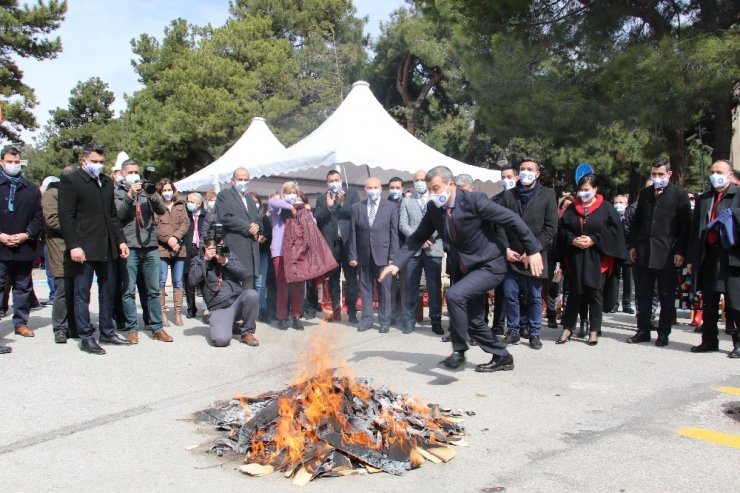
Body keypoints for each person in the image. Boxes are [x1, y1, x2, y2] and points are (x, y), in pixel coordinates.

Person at [380, 166, 543, 373]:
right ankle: (503, 357)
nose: (433, 194)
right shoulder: (434, 210)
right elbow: (418, 237)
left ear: (451, 185)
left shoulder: (474, 201)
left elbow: (511, 219)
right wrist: (396, 263)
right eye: (430, 189)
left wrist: (533, 249)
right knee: (474, 321)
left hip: (490, 265)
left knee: (455, 295)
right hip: (468, 268)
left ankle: (459, 352)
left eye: (436, 188)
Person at [58, 144, 131, 354]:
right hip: (83, 247)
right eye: (94, 161)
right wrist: (74, 245)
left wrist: (121, 240)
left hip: (107, 246)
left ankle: (107, 331)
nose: (98, 165)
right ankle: (86, 336)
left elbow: (113, 215)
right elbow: (66, 217)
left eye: (101, 162)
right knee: (82, 293)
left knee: (108, 290)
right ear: (83, 161)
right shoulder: (71, 181)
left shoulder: (107, 182)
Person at [555, 174, 627, 346]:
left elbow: (614, 231)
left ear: (595, 190)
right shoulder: (572, 208)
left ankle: (594, 330)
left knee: (595, 293)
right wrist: (572, 239)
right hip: (576, 257)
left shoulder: (606, 208)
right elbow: (561, 229)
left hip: (598, 258)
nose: (583, 193)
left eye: (587, 190)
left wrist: (593, 239)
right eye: (580, 190)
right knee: (574, 293)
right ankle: (568, 328)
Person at [627, 157, 691, 347]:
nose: (657, 177)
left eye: (660, 174)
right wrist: (633, 245)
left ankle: (663, 332)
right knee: (643, 294)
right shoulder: (646, 193)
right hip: (644, 252)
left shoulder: (679, 195)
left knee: (666, 295)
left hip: (667, 255)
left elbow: (685, 227)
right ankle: (643, 330)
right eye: (654, 174)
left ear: (669, 174)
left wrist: (680, 251)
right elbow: (637, 222)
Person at [498, 157, 557, 350]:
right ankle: (513, 330)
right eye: (522, 169)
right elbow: (501, 225)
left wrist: (533, 250)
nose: (525, 172)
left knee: (533, 296)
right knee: (511, 295)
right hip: (511, 255)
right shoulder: (509, 195)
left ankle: (534, 333)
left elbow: (550, 228)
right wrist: (506, 248)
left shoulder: (548, 195)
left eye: (529, 169)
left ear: (537, 174)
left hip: (535, 257)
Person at [115, 160, 172, 344]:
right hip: (130, 245)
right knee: (128, 290)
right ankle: (132, 328)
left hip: (149, 246)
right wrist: (130, 195)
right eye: (130, 172)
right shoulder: (118, 192)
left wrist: (152, 194)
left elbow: (162, 210)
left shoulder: (146, 191)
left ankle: (157, 327)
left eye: (136, 172)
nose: (134, 175)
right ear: (123, 174)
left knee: (154, 290)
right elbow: (119, 215)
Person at [687, 159, 740, 357]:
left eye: (719, 171)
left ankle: (738, 342)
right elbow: (695, 231)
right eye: (713, 171)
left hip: (731, 255)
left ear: (730, 175)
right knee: (709, 300)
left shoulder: (737, 194)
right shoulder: (704, 199)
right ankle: (709, 340)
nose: (715, 175)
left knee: (735, 302)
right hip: (708, 255)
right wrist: (692, 259)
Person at [0, 145, 44, 354]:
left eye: (17, 162)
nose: (14, 165)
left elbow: (38, 217)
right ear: (2, 162)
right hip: (1, 243)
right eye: (10, 161)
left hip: (23, 245)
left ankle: (20, 322)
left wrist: (27, 234)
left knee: (23, 286)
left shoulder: (31, 188)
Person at [188, 232, 259, 347]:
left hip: (236, 301)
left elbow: (244, 274)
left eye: (220, 246)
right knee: (221, 340)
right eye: (214, 248)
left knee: (252, 295)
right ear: (205, 248)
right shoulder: (198, 260)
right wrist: (206, 260)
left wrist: (225, 262)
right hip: (218, 307)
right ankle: (228, 325)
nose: (218, 250)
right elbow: (192, 281)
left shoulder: (228, 255)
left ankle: (247, 333)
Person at [349, 177, 399, 333]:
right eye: (369, 187)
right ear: (365, 189)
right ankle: (367, 319)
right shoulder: (357, 207)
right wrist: (353, 255)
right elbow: (353, 233)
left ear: (380, 189)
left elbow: (394, 233)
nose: (372, 190)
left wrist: (393, 256)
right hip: (364, 255)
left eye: (375, 187)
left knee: (384, 289)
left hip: (384, 256)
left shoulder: (390, 207)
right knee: (365, 288)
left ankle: (384, 320)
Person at [399, 170, 444, 335]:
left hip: (434, 248)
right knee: (411, 286)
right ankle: (409, 320)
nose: (419, 182)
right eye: (416, 179)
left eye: (422, 179)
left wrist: (430, 239)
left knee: (434, 287)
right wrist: (419, 239)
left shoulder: (438, 198)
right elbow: (403, 224)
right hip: (414, 250)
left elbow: (443, 222)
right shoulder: (407, 201)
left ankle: (436, 321)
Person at [313, 170, 360, 322]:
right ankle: (336, 311)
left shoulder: (351, 195)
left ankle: (352, 312)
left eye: (336, 179)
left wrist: (341, 204)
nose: (334, 182)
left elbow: (356, 214)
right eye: (331, 180)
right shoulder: (322, 198)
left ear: (341, 180)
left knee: (351, 279)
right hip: (331, 245)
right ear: (327, 183)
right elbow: (317, 219)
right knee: (333, 280)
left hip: (348, 243)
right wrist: (329, 206)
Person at [42, 168, 78, 343]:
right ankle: (61, 328)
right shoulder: (52, 193)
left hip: (78, 246)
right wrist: (78, 228)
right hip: (60, 247)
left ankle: (74, 325)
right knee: (63, 288)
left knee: (76, 289)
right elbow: (52, 220)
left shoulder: (77, 193)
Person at [268, 182, 310, 331]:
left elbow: (314, 224)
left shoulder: (301, 210)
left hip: (297, 253)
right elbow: (272, 201)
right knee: (283, 285)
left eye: (293, 192)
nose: (291, 195)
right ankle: (282, 317)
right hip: (279, 252)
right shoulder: (278, 210)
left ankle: (296, 316)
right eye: (288, 192)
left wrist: (304, 209)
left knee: (298, 285)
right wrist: (290, 206)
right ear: (283, 194)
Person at [216, 168, 262, 289]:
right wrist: (247, 227)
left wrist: (257, 226)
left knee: (248, 291)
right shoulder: (224, 196)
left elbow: (258, 219)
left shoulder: (249, 199)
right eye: (240, 179)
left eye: (246, 179)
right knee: (233, 289)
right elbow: (225, 218)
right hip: (235, 250)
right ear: (233, 180)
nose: (243, 182)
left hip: (251, 252)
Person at [490, 165, 519, 335]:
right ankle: (498, 324)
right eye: (503, 177)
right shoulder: (495, 200)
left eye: (509, 176)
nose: (506, 180)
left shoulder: (523, 199)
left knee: (519, 291)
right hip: (501, 250)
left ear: (517, 178)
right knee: (501, 290)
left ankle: (520, 326)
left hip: (521, 249)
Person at [603, 194, 634, 314]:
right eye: (616, 202)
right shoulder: (610, 216)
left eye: (621, 202)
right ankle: (614, 303)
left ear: (626, 204)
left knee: (628, 278)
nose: (618, 205)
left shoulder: (630, 216)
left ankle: (626, 303)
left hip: (627, 251)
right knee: (614, 278)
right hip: (614, 251)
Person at [184, 192, 208, 319]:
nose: (189, 204)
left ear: (199, 204)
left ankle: (206, 308)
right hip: (188, 248)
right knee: (188, 280)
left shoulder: (206, 216)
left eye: (192, 202)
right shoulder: (185, 215)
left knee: (203, 278)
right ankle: (190, 308)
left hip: (201, 249)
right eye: (188, 201)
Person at [387, 176, 405, 326]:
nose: (395, 190)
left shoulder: (408, 202)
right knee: (390, 284)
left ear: (402, 189)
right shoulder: (384, 204)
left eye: (397, 188)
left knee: (405, 284)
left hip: (405, 248)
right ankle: (391, 314)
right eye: (392, 187)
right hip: (389, 250)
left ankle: (404, 314)